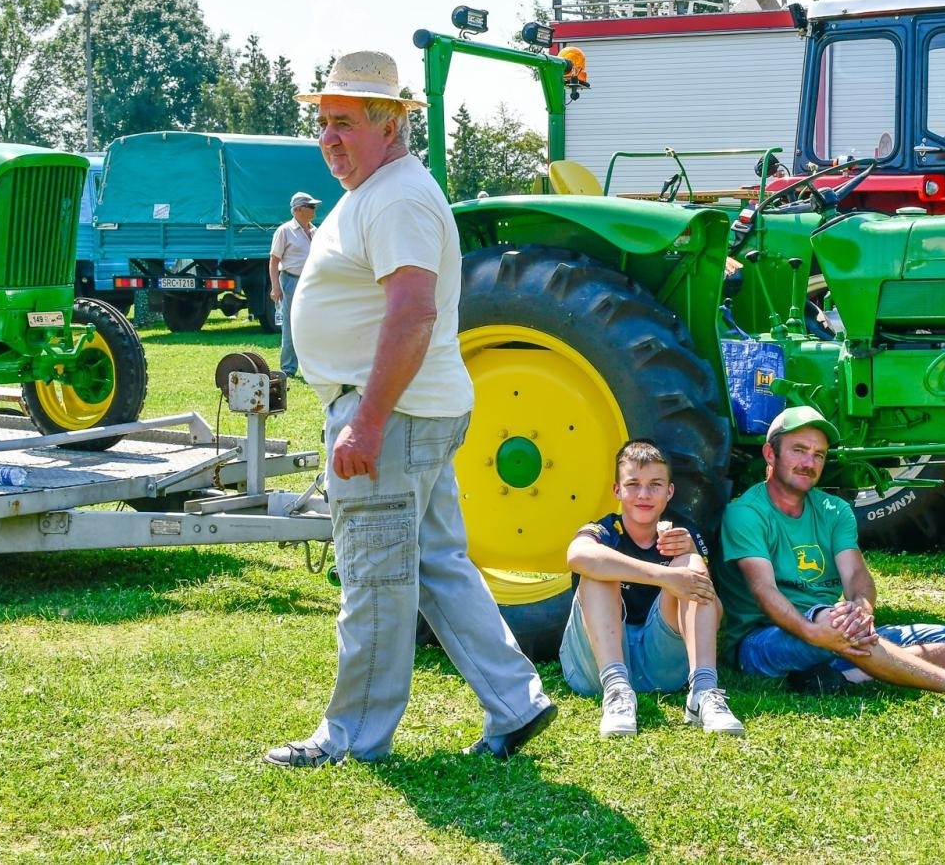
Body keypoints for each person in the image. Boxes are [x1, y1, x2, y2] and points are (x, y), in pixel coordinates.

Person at [265, 50, 556, 767]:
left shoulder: (395, 197)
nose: (330, 137)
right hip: (408, 411)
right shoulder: (384, 189)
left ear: (389, 124)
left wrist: (365, 420)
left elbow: (412, 313)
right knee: (434, 562)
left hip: (388, 417)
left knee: (375, 581)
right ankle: (516, 703)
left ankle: (354, 738)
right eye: (324, 124)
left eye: (345, 124)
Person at [715, 405, 945, 713]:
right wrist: (813, 631)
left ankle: (842, 675)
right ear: (770, 454)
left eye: (819, 454)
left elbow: (855, 576)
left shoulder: (833, 510)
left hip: (832, 628)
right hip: (763, 641)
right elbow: (763, 590)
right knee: (833, 621)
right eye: (799, 450)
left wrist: (861, 610)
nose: (809, 462)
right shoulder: (746, 513)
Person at [560, 440, 745, 738]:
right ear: (616, 490)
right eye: (633, 484)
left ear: (669, 491)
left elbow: (714, 609)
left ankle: (703, 691)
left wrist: (692, 563)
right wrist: (664, 576)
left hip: (660, 662)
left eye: (655, 484)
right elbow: (577, 555)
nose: (643, 495)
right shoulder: (604, 530)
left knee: (692, 569)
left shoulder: (682, 536)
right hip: (594, 665)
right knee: (597, 570)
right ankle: (617, 691)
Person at [268, 192, 320, 377]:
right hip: (290, 280)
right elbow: (274, 260)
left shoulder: (315, 231)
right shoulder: (284, 231)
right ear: (298, 210)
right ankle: (288, 368)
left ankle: (313, 367)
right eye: (311, 206)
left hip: (311, 282)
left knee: (312, 324)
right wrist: (276, 287)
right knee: (290, 324)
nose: (315, 209)